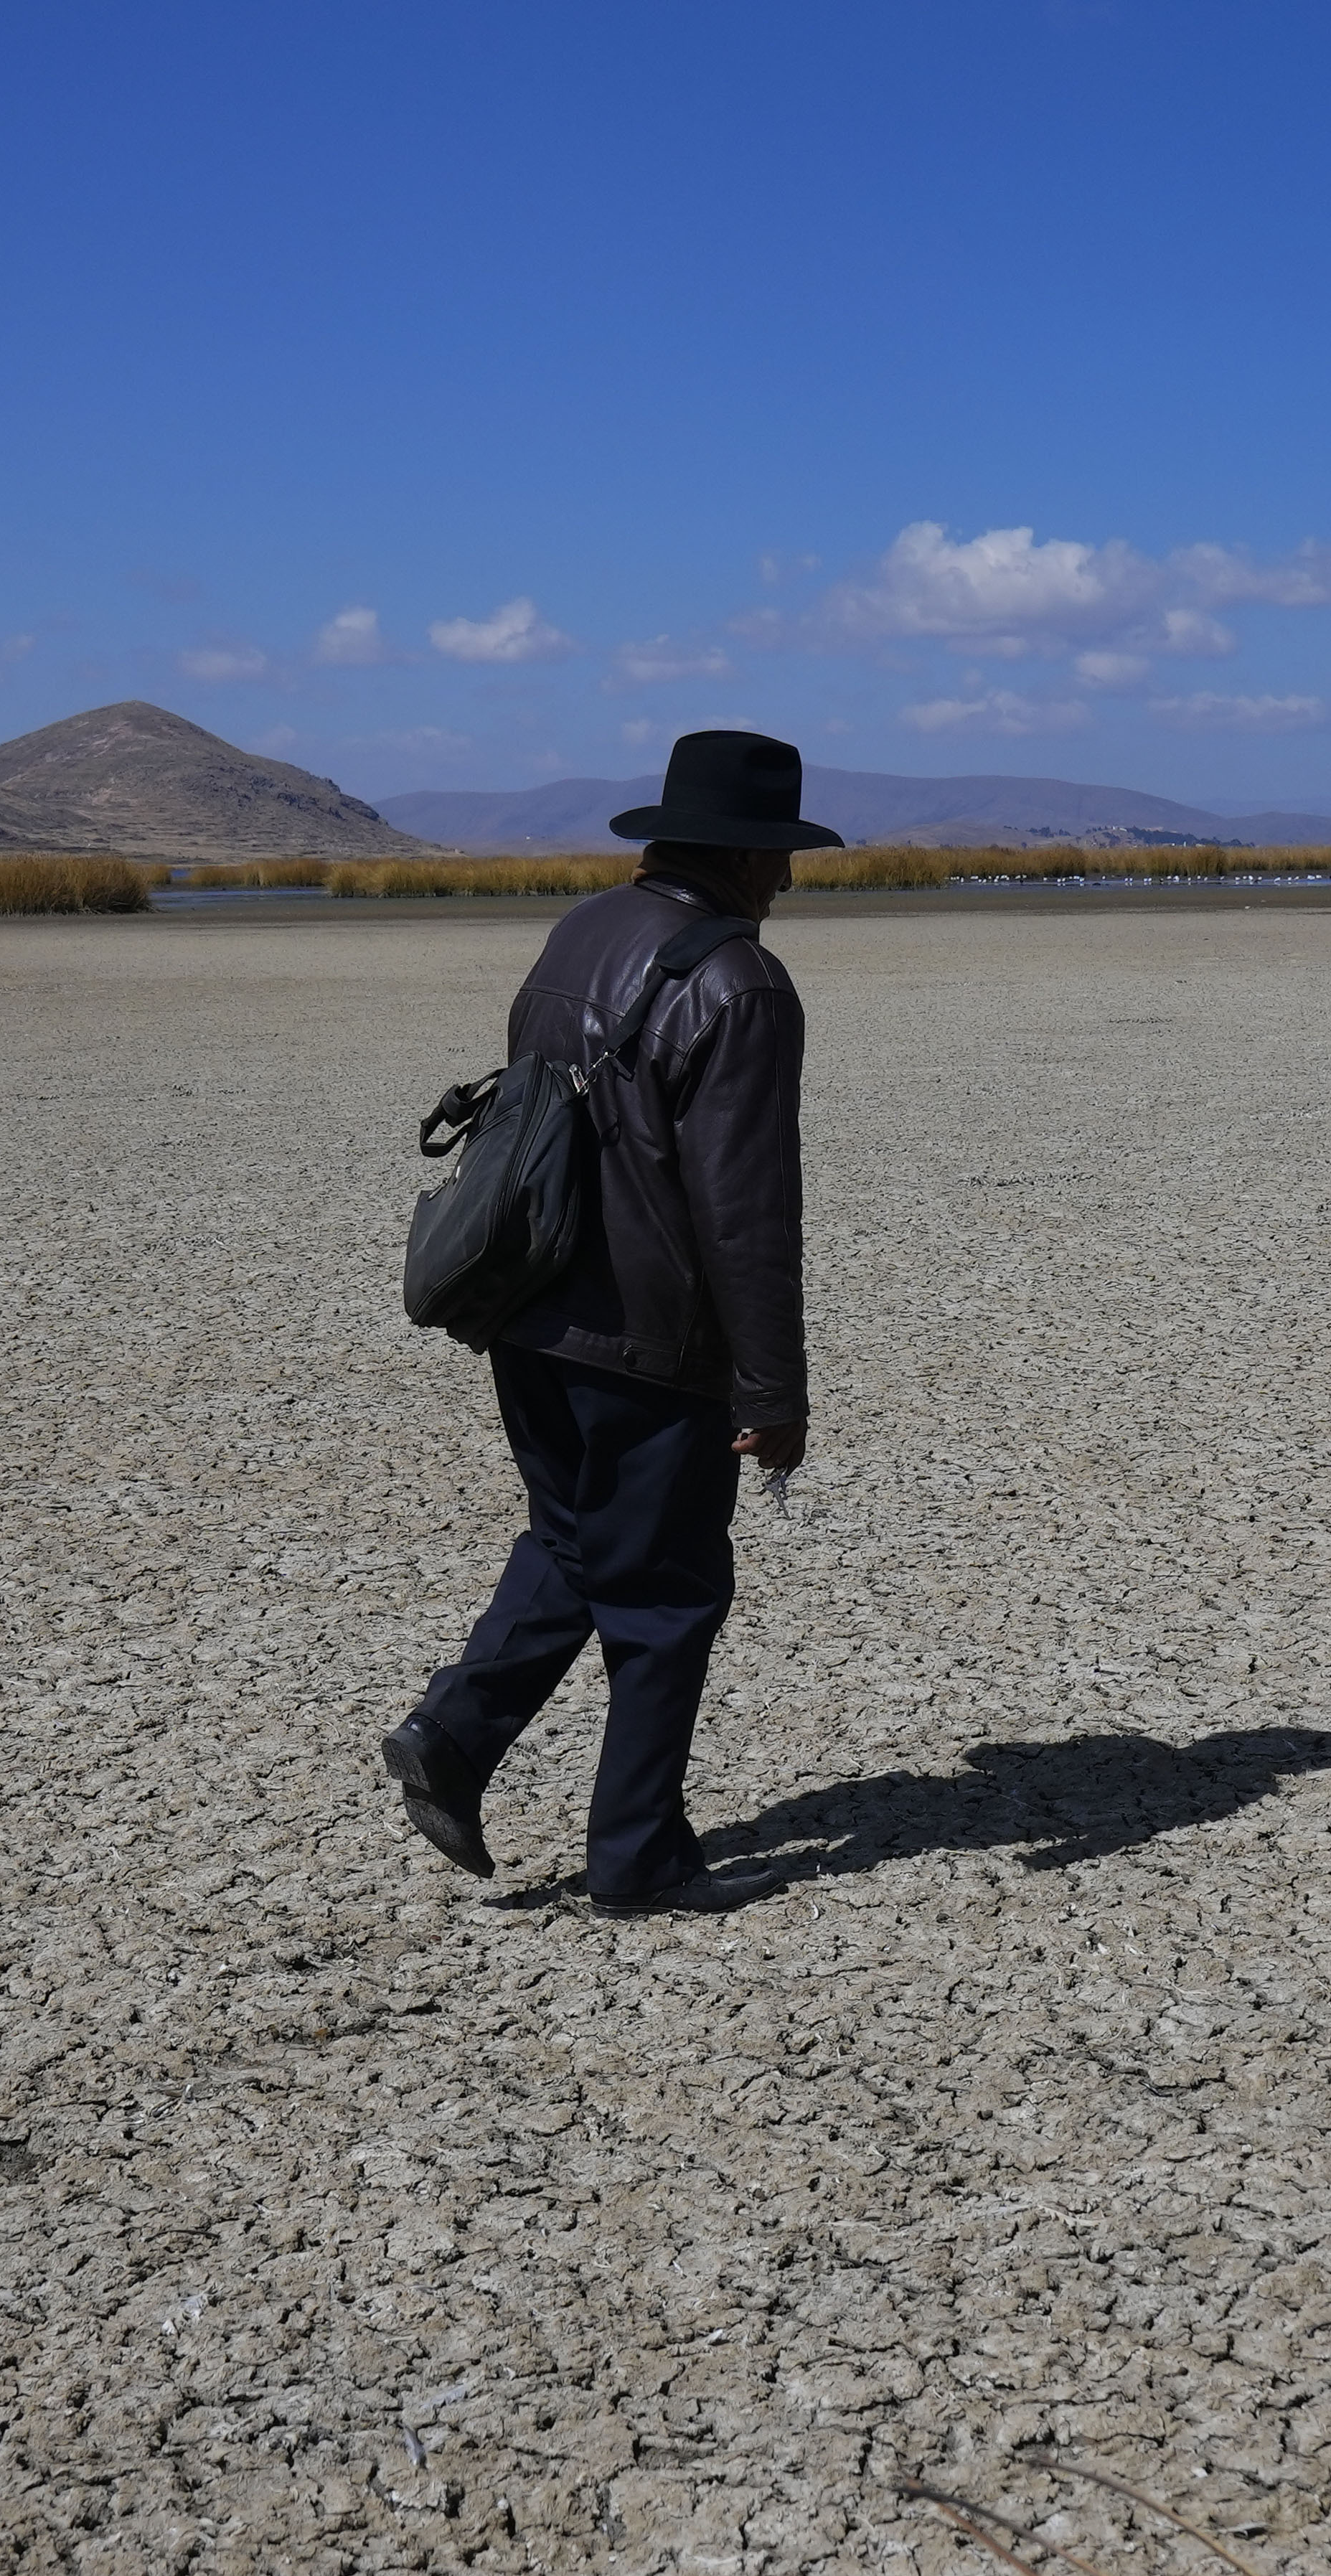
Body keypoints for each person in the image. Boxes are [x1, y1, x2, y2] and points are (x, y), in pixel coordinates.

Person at [380, 728, 837, 1917]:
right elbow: (744, 1214)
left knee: (578, 1542)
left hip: (529, 1306)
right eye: (778, 857)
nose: (785, 881)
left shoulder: (584, 930)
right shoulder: (739, 983)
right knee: (668, 1593)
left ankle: (456, 1736)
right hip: (648, 1340)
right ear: (742, 858)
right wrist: (771, 1393)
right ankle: (638, 1861)